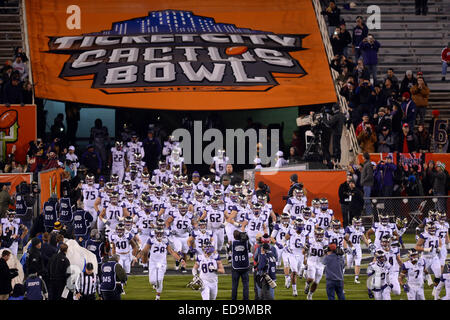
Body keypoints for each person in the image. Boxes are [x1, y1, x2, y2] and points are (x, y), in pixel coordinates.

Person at [231, 230, 250, 300]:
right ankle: (246, 298)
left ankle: (234, 298)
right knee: (246, 285)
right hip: (245, 266)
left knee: (234, 285)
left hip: (235, 267)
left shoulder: (233, 243)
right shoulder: (245, 243)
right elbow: (249, 246)